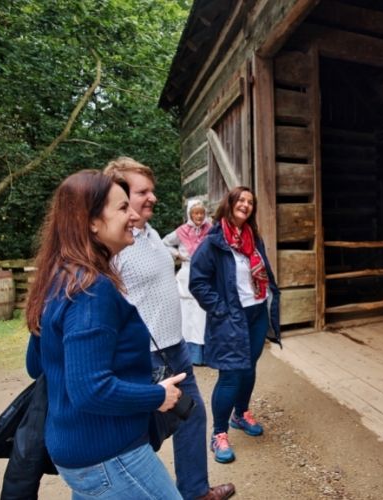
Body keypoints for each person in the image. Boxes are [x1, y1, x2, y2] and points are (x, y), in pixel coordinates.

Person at [24, 170, 186, 499]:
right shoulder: (90, 291)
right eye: (123, 208)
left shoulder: (60, 278)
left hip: (80, 453)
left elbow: (35, 364)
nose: (133, 215)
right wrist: (157, 396)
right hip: (109, 456)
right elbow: (89, 390)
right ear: (93, 222)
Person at [103, 158, 235, 500]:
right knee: (141, 434)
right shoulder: (112, 245)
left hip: (174, 348)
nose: (152, 198)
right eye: (142, 191)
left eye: (152, 191)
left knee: (192, 415)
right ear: (118, 196)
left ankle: (195, 491)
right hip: (143, 356)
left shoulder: (149, 234)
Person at [190, 186, 281, 464]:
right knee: (231, 374)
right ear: (229, 204)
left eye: (250, 201)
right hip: (232, 316)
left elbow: (263, 270)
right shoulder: (214, 242)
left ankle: (240, 415)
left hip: (256, 313)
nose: (246, 204)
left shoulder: (253, 238)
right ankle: (218, 434)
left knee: (249, 367)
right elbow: (198, 281)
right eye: (241, 200)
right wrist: (220, 309)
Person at [163, 198, 211, 365]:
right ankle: (188, 354)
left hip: (205, 274)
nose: (199, 216)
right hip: (187, 273)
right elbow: (165, 244)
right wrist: (178, 255)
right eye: (196, 213)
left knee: (202, 313)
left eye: (201, 213)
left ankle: (203, 354)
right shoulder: (181, 231)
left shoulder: (210, 230)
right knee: (187, 312)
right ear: (190, 214)